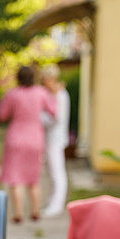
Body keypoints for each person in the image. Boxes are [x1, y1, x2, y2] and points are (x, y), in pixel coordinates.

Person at [0, 65, 57, 223]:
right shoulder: (41, 93)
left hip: (16, 137)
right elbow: (53, 111)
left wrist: (3, 95)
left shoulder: (12, 94)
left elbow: (2, 115)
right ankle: (35, 210)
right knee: (33, 177)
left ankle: (18, 213)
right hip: (35, 138)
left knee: (15, 178)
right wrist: (54, 94)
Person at [41, 64, 71, 217]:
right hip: (51, 138)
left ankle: (57, 204)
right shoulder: (54, 93)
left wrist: (39, 119)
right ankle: (53, 200)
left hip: (55, 138)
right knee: (51, 171)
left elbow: (56, 117)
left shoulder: (59, 94)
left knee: (56, 171)